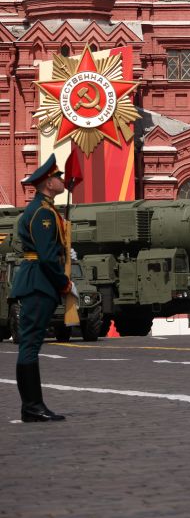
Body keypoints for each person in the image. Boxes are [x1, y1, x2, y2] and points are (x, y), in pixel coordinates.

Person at [12, 154, 78, 422]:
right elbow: (47, 255)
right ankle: (32, 407)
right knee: (29, 345)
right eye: (58, 176)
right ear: (49, 182)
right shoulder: (42, 213)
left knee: (31, 344)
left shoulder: (45, 209)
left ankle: (33, 405)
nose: (62, 180)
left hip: (38, 279)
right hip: (39, 281)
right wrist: (64, 283)